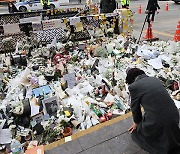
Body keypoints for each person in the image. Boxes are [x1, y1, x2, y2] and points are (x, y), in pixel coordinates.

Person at [126, 68, 180, 154]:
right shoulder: (155, 79)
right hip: (175, 115)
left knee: (137, 134)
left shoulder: (133, 87)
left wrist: (137, 123)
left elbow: (135, 108)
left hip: (158, 121)